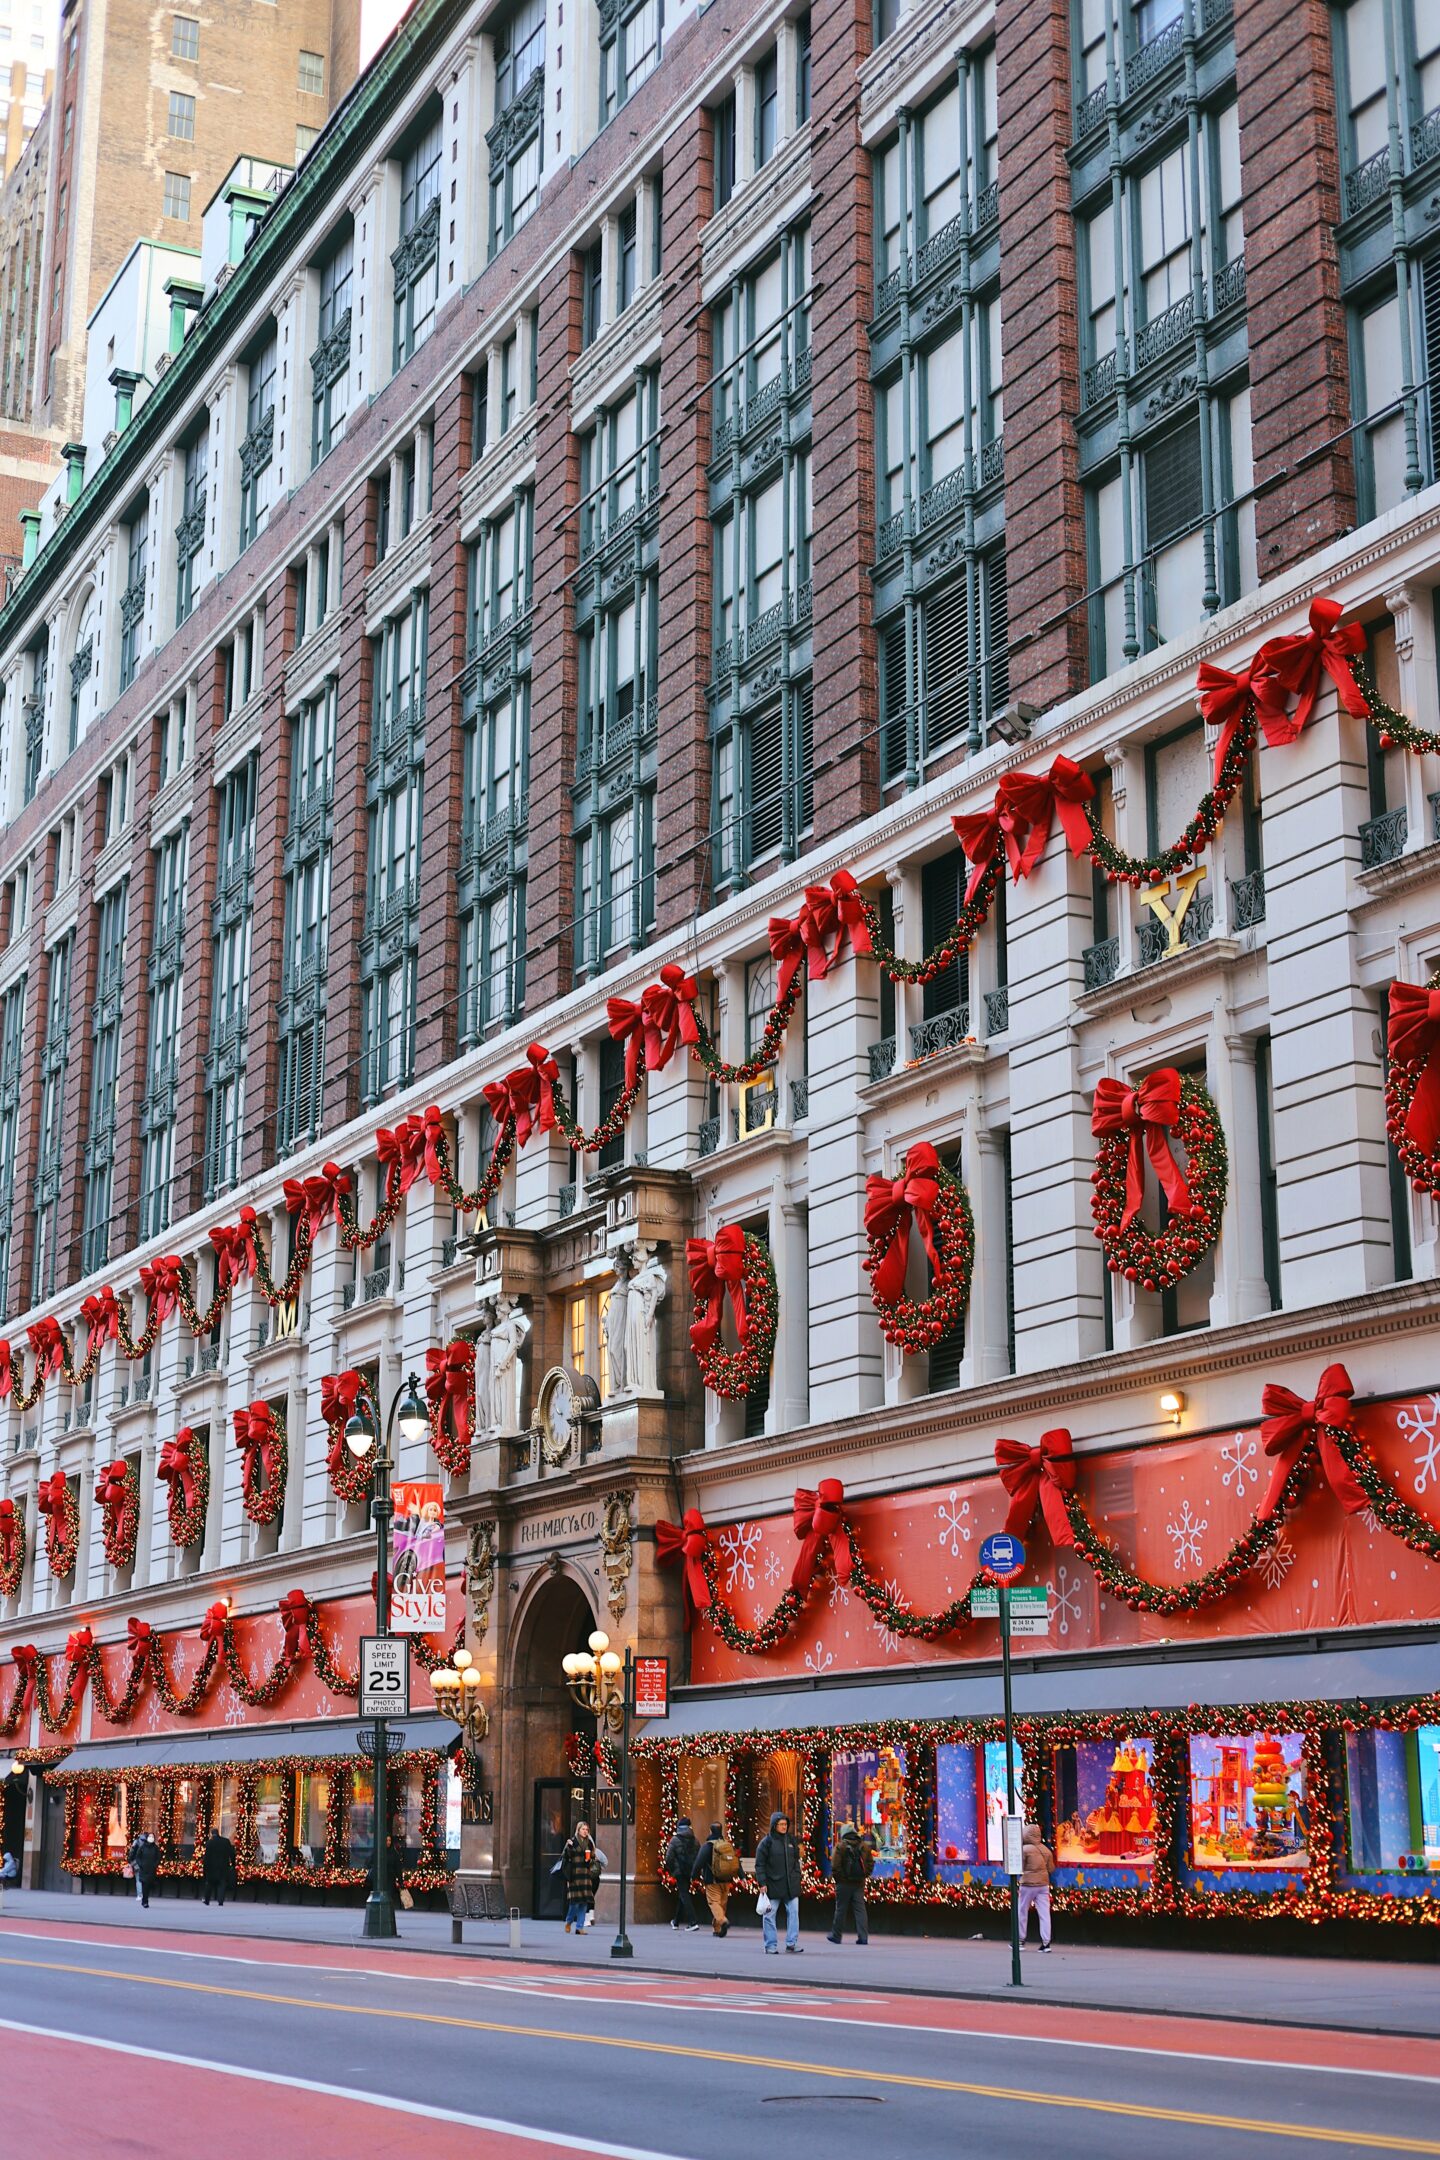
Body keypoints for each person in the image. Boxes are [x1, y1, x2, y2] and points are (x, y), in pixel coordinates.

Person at [753, 1809, 803, 1955]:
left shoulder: (791, 1840)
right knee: (769, 1915)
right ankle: (770, 1945)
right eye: (781, 1824)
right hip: (773, 1885)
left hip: (790, 1885)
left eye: (785, 1824)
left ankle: (791, 1943)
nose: (784, 1827)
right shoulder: (766, 1842)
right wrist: (762, 1883)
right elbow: (759, 1864)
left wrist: (796, 1876)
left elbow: (796, 1861)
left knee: (794, 1913)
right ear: (774, 1825)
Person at [827, 1822, 871, 1945]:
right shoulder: (864, 1846)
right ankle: (863, 1937)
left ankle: (836, 1935)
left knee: (841, 1909)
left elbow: (835, 1865)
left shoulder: (840, 1846)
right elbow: (870, 1864)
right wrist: (863, 1875)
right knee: (860, 1910)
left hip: (843, 1884)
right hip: (859, 1883)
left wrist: (840, 1878)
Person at [692, 1821, 738, 1936]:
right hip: (726, 1879)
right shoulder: (727, 1844)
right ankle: (717, 1929)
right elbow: (735, 1861)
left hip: (712, 1880)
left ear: (710, 1831)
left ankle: (723, 1921)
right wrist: (741, 1876)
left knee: (714, 1902)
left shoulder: (708, 1846)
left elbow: (698, 1863)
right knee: (722, 1904)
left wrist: (693, 1876)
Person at [1018, 1820, 1054, 1953]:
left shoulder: (1024, 1849)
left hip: (1027, 1884)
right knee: (1044, 1913)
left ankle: (1020, 1940)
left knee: (1022, 1911)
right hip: (1043, 1885)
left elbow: (1019, 1867)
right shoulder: (1046, 1850)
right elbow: (1051, 1868)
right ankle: (1046, 1943)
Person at [662, 1813, 701, 1931]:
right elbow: (699, 1856)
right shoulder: (695, 1840)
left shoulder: (675, 1840)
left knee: (684, 1894)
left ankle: (693, 1921)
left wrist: (672, 1869)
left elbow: (669, 1857)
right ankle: (676, 1921)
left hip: (679, 1872)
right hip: (690, 1871)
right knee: (683, 1894)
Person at [563, 1823, 601, 1935]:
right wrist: (569, 1847)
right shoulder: (572, 1841)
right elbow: (566, 1857)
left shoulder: (589, 1843)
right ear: (578, 1830)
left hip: (585, 1875)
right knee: (574, 1903)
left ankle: (579, 1927)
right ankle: (569, 1921)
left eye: (587, 1829)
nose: (585, 1831)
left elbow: (593, 1856)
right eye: (583, 1829)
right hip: (574, 1876)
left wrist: (590, 1859)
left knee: (584, 1902)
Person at [202, 1827, 236, 1908]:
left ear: (211, 1834)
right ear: (218, 1833)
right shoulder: (225, 1841)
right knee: (222, 1883)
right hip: (223, 1866)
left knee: (209, 1883)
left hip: (211, 1867)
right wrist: (233, 1864)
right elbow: (232, 1853)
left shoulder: (209, 1843)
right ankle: (220, 1901)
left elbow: (206, 1857)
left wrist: (205, 1868)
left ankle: (207, 1900)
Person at [131, 1830, 160, 1912]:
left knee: (149, 1885)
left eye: (152, 1837)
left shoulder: (155, 1848)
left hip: (151, 1870)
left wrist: (155, 1865)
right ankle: (145, 1901)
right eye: (150, 1837)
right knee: (145, 1885)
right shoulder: (142, 1847)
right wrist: (140, 1864)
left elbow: (158, 1857)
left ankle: (145, 1899)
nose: (151, 1838)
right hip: (144, 1869)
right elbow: (138, 1857)